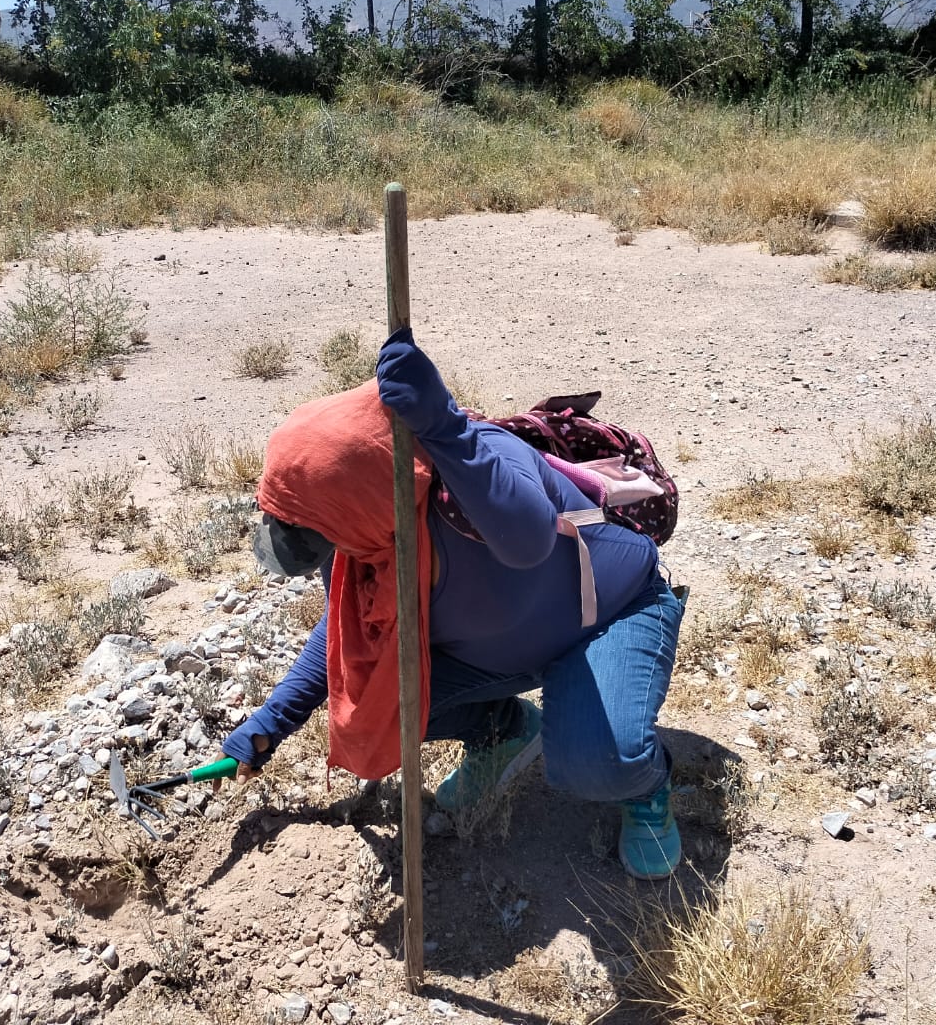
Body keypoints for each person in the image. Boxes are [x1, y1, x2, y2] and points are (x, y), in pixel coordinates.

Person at [219, 329, 685, 879]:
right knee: (373, 696)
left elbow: (530, 537)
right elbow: (343, 636)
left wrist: (444, 425)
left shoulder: (470, 477)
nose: (317, 546)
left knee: (596, 763)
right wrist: (270, 724)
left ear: (354, 496)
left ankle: (644, 786)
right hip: (500, 651)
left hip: (606, 618)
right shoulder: (363, 532)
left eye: (310, 529)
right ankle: (502, 728)